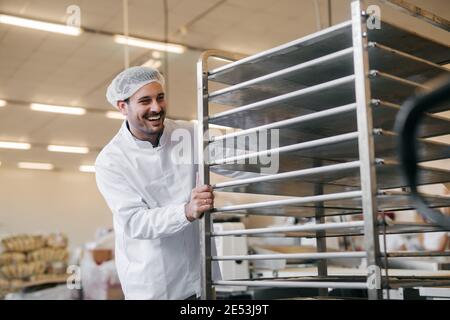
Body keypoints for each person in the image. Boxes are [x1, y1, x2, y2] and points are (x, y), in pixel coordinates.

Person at [95, 66, 218, 299]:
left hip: (200, 277)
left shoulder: (187, 134)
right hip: (155, 285)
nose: (156, 107)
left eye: (160, 97)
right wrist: (186, 211)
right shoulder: (111, 161)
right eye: (145, 101)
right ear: (123, 106)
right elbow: (135, 222)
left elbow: (236, 158)